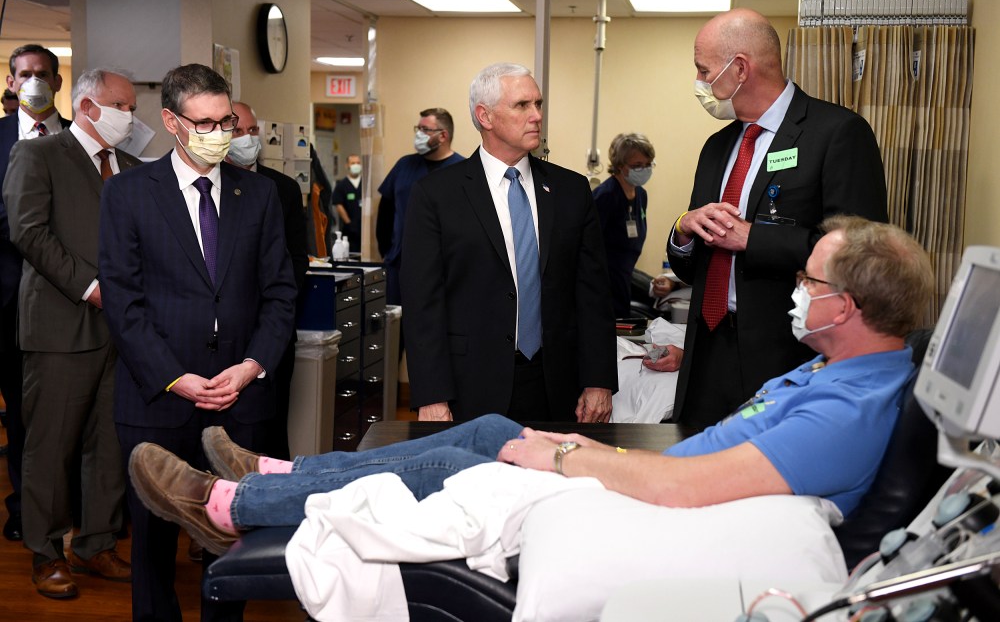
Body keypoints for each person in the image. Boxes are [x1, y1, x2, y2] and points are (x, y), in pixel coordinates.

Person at [127, 215, 933, 557]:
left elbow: (691, 488)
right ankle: (279, 476)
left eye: (809, 279)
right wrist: (562, 447)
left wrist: (565, 458)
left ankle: (228, 509)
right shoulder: (840, 369)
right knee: (488, 430)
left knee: (468, 459)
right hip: (659, 488)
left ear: (850, 307)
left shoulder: (850, 407)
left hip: (671, 514)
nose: (796, 287)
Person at [98, 64, 298, 622]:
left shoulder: (256, 195)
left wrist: (252, 366)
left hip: (240, 399)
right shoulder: (129, 194)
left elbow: (281, 294)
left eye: (226, 120)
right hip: (157, 398)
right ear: (171, 121)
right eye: (205, 122)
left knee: (229, 540)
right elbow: (123, 300)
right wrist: (174, 376)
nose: (220, 132)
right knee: (154, 543)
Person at [668, 8, 889, 435]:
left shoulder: (837, 132)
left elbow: (862, 254)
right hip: (707, 351)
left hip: (785, 354)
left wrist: (754, 239)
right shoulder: (717, 147)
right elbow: (690, 266)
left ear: (740, 69)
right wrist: (683, 231)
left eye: (703, 70)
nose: (699, 83)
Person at [401, 63, 617, 423]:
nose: (536, 116)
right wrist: (432, 395)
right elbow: (423, 302)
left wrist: (599, 381)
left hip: (556, 385)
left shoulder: (571, 191)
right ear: (484, 116)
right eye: (522, 106)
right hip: (470, 385)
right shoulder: (437, 194)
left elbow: (593, 293)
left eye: (539, 104)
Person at [4, 68, 140, 599]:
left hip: (122, 331)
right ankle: (45, 550)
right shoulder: (39, 155)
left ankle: (97, 542)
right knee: (51, 443)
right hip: (62, 322)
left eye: (131, 108)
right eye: (122, 106)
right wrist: (90, 286)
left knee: (109, 442)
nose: (130, 117)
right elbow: (27, 231)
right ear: (87, 106)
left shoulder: (127, 167)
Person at [0, 44, 71, 544]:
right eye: (24, 74)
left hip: (70, 300)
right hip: (6, 302)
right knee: (23, 418)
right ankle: (28, 511)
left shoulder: (81, 140)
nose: (33, 82)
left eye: (42, 74)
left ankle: (82, 513)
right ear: (9, 82)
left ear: (59, 81)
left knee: (71, 413)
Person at [225, 100, 309, 460]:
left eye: (252, 131)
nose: (247, 139)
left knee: (270, 428)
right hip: (224, 330)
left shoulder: (282, 188)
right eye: (238, 131)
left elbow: (295, 261)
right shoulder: (210, 186)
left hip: (272, 330)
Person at [376, 107, 465, 305]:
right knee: (398, 327)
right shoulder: (404, 166)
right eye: (418, 128)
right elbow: (385, 211)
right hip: (400, 264)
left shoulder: (462, 171)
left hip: (443, 269)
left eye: (425, 129)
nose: (419, 134)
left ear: (443, 136)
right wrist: (387, 252)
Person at [593, 133, 656, 318]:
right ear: (620, 166)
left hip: (625, 275)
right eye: (637, 166)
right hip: (604, 283)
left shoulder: (641, 195)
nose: (643, 170)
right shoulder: (605, 196)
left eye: (648, 164)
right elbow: (589, 247)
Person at [331, 153, 363, 254]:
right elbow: (338, 205)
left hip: (365, 227)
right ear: (347, 165)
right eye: (353, 163)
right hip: (350, 229)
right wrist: (349, 223)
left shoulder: (365, 183)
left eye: (358, 163)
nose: (356, 165)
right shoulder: (342, 185)